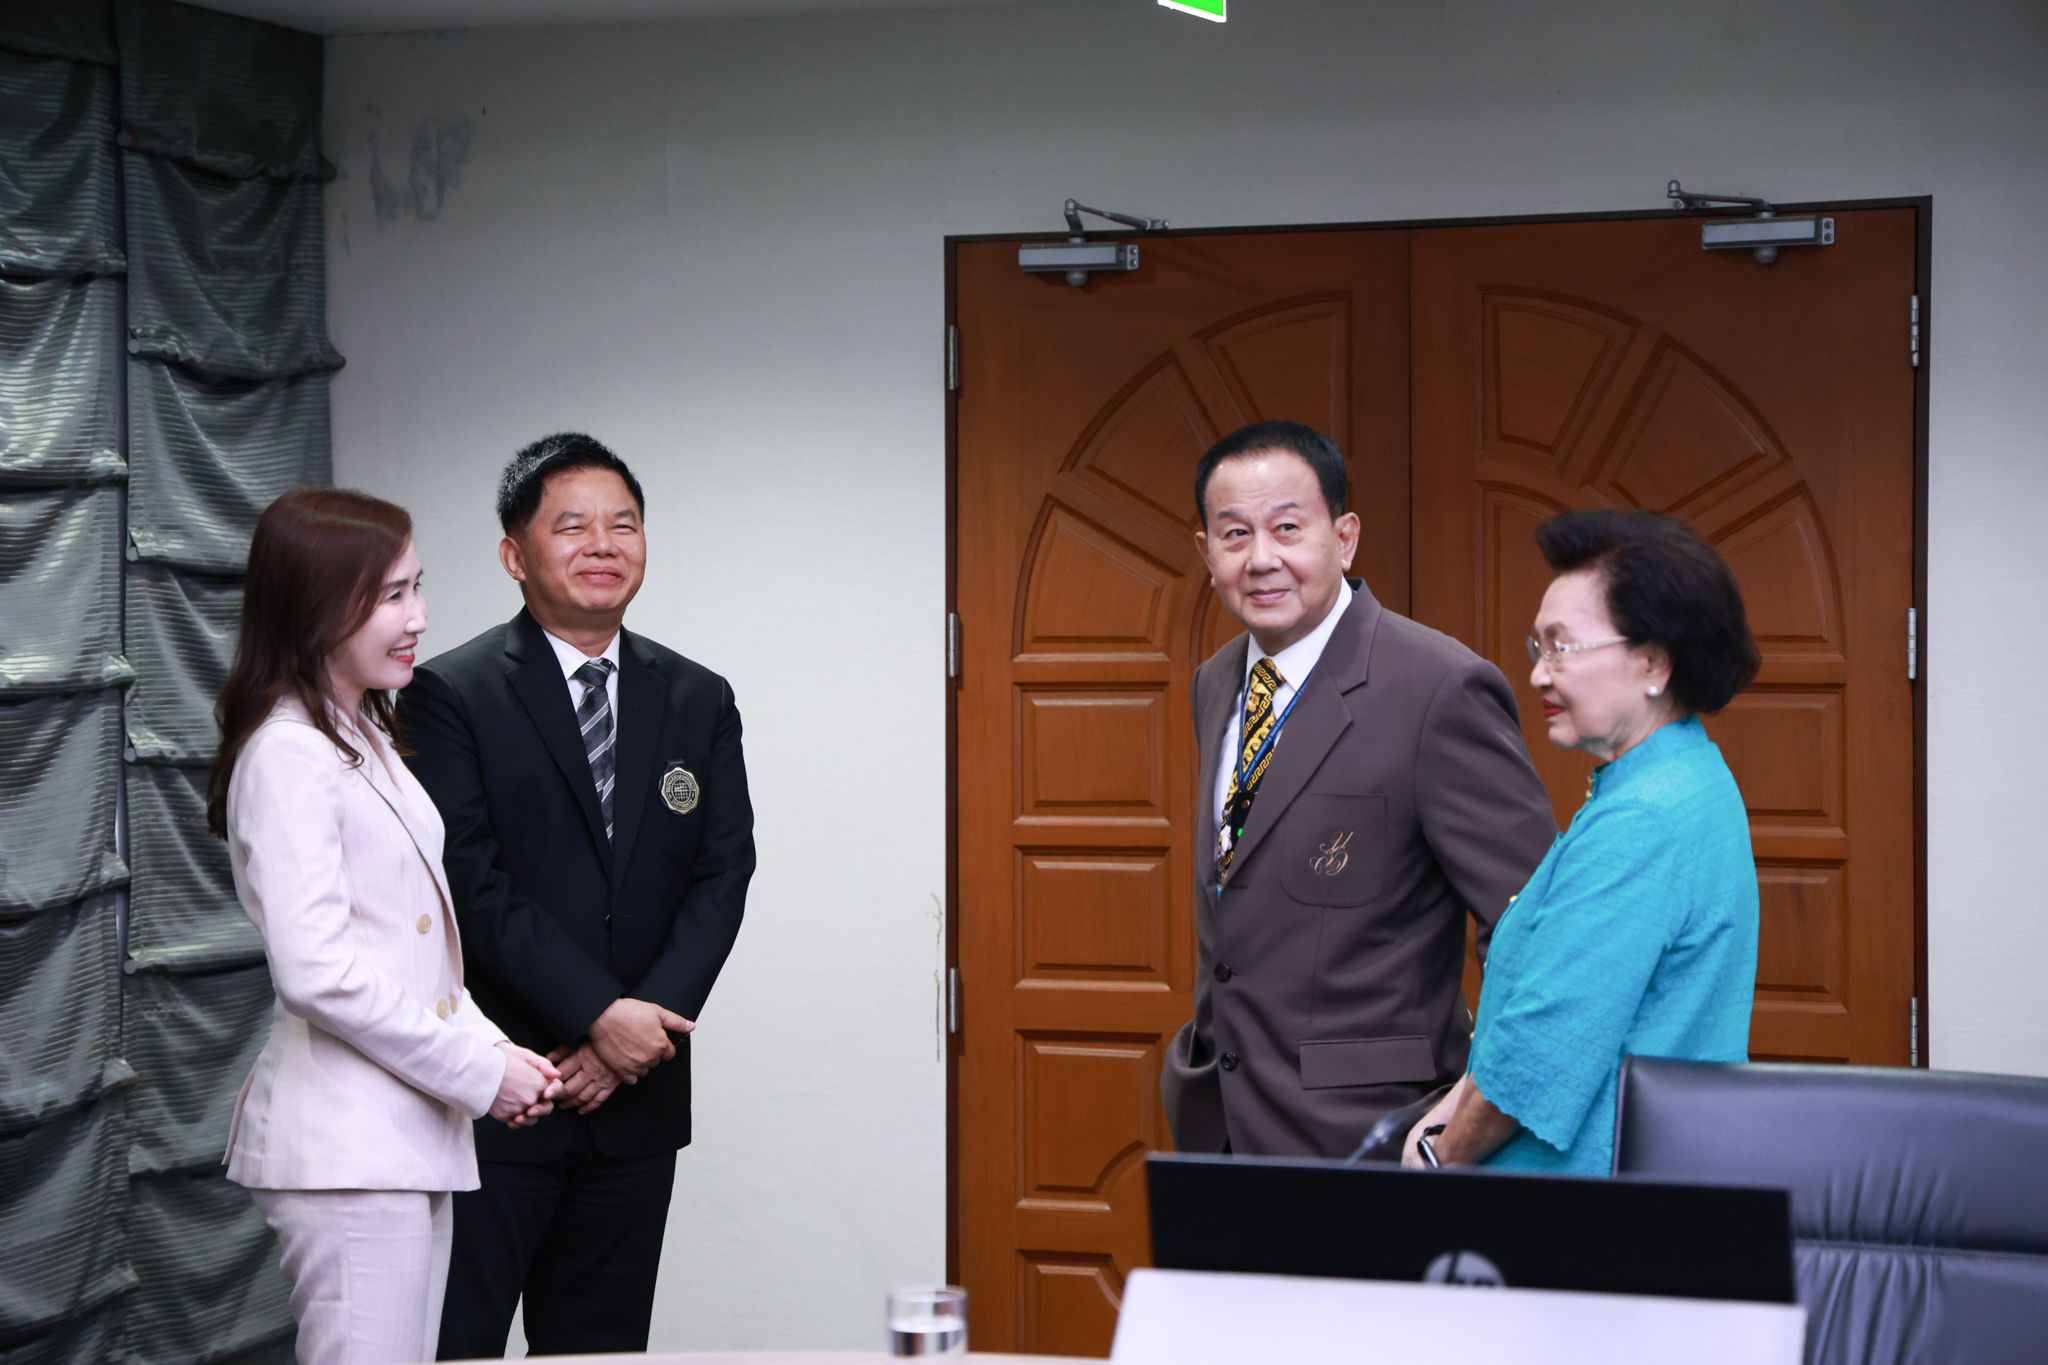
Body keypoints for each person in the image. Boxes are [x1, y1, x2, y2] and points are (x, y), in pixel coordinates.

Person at [401, 433, 755, 1359]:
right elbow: (468, 881)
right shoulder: (449, 694)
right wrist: (600, 1016)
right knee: (457, 1344)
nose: (604, 543)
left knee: (601, 1350)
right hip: (501, 1096)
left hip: (636, 1105)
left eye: (623, 524)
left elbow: (722, 873)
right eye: (573, 525)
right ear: (515, 554)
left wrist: (637, 1035)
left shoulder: (699, 696)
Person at [210, 488, 563, 1365]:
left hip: (395, 1141)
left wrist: (498, 1050)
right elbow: (319, 973)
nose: (420, 617)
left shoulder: (359, 731)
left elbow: (411, 948)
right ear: (317, 606)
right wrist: (479, 1072)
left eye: (417, 587)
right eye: (392, 595)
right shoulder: (288, 752)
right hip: (348, 1147)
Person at [1161, 421, 1558, 1158]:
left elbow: (1535, 929)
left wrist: (1464, 1123)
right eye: (1235, 534)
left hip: (1373, 1136)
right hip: (1221, 1127)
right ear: (1206, 553)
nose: (1262, 558)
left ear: (1344, 538)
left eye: (1287, 528)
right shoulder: (1216, 682)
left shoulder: (1438, 688)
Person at [1404, 508, 1761, 1175]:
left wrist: (1439, 1154)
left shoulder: (1643, 819)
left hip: (1582, 1200)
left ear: (1653, 661)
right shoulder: (1687, 775)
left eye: (1561, 648)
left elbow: (1542, 1049)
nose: (1539, 675)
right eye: (1538, 648)